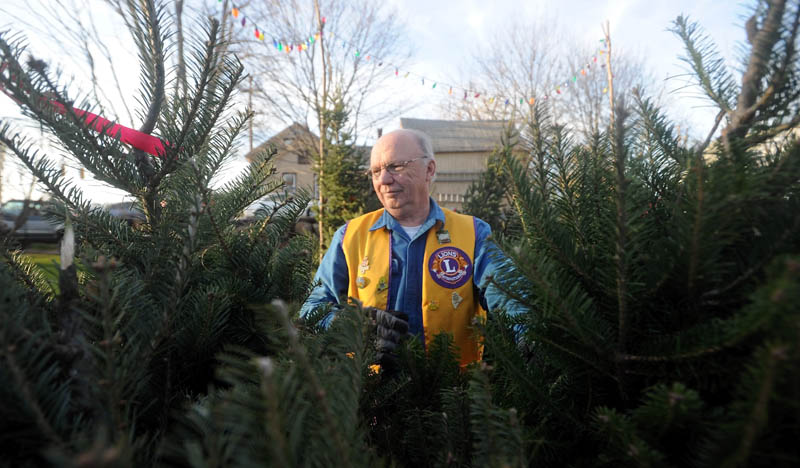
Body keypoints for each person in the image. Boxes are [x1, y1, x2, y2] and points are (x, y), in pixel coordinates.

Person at [300, 128, 518, 367]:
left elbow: (511, 299)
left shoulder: (474, 234)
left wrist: (530, 336)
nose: (383, 179)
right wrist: (355, 328)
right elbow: (312, 309)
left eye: (396, 166)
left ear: (430, 169)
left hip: (454, 394)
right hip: (368, 395)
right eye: (375, 171)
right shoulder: (349, 237)